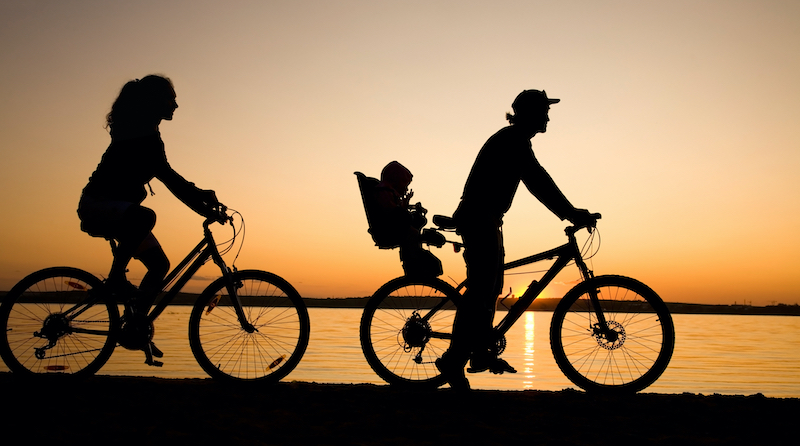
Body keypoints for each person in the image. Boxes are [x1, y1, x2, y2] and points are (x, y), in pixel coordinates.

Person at [436, 90, 597, 390]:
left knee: (491, 287)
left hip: (489, 219)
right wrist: (571, 212)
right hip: (479, 218)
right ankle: (453, 359)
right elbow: (538, 181)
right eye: (544, 111)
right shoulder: (513, 141)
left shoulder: (516, 140)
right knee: (482, 289)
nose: (548, 117)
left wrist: (569, 212)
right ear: (531, 114)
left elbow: (537, 179)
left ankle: (479, 351)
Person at [77, 75, 220, 365]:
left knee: (160, 265)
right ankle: (116, 278)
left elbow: (170, 176)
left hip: (115, 210)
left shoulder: (144, 133)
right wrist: (204, 207)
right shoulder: (141, 136)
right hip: (99, 206)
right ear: (155, 101)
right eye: (171, 99)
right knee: (145, 217)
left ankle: (136, 325)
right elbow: (170, 179)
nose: (176, 105)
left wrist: (201, 195)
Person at [370, 161, 445, 276]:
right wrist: (405, 211)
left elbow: (394, 210)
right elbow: (392, 212)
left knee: (415, 231)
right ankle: (414, 264)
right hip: (389, 228)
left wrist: (405, 205)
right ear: (396, 180)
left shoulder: (386, 190)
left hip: (393, 224)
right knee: (413, 233)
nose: (405, 188)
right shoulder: (384, 190)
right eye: (404, 184)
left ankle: (415, 261)